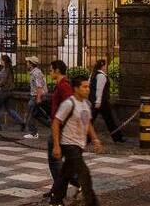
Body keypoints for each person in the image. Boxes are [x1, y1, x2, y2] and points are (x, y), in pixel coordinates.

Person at [49, 75, 102, 206]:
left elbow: (87, 123)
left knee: (65, 175)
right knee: (84, 174)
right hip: (69, 144)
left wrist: (95, 139)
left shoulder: (85, 104)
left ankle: (55, 200)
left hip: (79, 145)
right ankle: (92, 203)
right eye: (84, 87)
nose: (87, 89)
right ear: (76, 88)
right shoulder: (69, 103)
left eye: (88, 86)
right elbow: (56, 123)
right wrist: (56, 146)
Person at [46, 60, 76, 191]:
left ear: (57, 70)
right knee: (59, 161)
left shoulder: (64, 86)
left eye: (51, 69)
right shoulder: (60, 85)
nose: (50, 72)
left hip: (60, 127)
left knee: (55, 160)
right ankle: (58, 188)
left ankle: (61, 189)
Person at [89, 59, 125, 143]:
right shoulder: (101, 76)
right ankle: (118, 138)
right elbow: (99, 89)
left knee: (91, 120)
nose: (106, 67)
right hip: (102, 102)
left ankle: (117, 137)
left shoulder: (93, 74)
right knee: (110, 120)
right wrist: (98, 101)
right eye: (105, 65)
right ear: (103, 66)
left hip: (95, 101)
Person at [0, 54, 24, 131]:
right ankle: (21, 122)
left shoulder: (6, 70)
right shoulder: (10, 69)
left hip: (3, 91)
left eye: (1, 60)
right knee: (10, 109)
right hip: (9, 91)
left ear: (4, 61)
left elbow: (3, 82)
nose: (0, 61)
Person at [23, 56, 47, 139]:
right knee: (36, 115)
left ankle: (34, 133)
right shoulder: (35, 72)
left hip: (36, 96)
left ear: (31, 64)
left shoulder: (36, 73)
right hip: (36, 96)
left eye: (28, 62)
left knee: (31, 114)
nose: (26, 64)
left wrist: (38, 98)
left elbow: (39, 86)